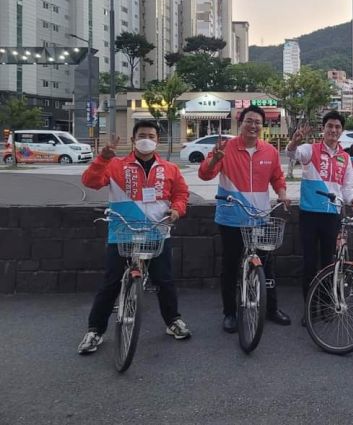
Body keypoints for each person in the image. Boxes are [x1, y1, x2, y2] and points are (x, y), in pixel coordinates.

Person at [78, 120, 191, 354]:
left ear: (157, 140)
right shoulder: (116, 164)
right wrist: (103, 158)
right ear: (133, 139)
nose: (146, 139)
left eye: (151, 135)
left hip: (158, 232)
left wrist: (177, 210)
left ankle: (173, 321)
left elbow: (181, 193)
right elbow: (90, 181)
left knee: (164, 281)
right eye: (141, 135)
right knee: (110, 283)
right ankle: (95, 331)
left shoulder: (170, 168)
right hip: (122, 233)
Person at [198, 106, 291, 332]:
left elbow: (277, 177)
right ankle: (229, 313)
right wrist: (213, 160)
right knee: (230, 266)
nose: (253, 126)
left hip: (260, 218)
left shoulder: (269, 151)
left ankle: (271, 309)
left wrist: (282, 193)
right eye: (249, 121)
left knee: (266, 266)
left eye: (257, 122)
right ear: (240, 123)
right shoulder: (225, 147)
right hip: (231, 218)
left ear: (262, 125)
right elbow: (204, 174)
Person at [286, 111, 353, 326]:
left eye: (337, 127)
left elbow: (347, 186)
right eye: (329, 126)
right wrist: (293, 142)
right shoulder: (311, 149)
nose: (333, 130)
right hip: (309, 214)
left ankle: (326, 305)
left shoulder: (344, 157)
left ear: (341, 130)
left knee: (329, 264)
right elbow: (292, 155)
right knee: (309, 264)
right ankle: (309, 309)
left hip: (332, 215)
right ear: (323, 128)